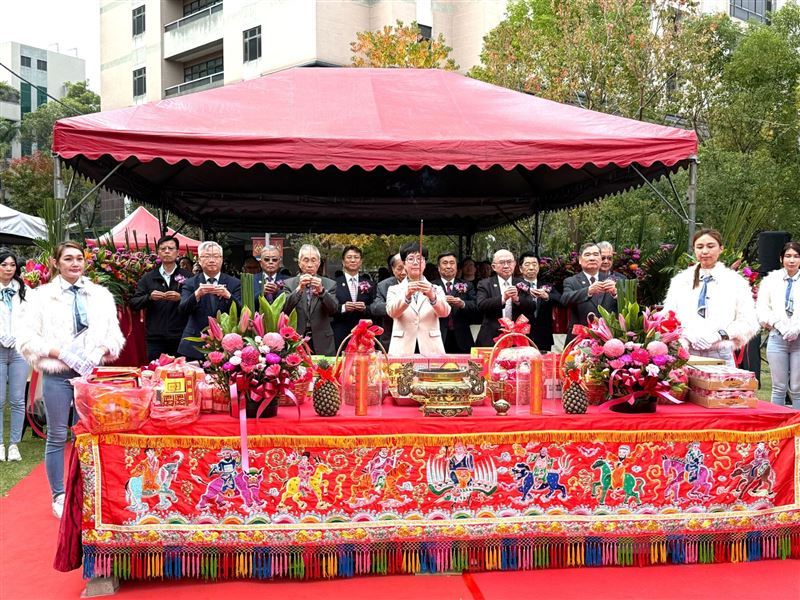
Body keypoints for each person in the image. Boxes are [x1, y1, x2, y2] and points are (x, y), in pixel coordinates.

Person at [16, 242, 125, 518]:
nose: (75, 264)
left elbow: (114, 336)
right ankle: (59, 494)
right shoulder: (40, 297)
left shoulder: (100, 295)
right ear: (56, 263)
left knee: (86, 434)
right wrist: (60, 353)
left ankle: (86, 491)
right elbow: (27, 339)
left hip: (89, 374)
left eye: (79, 258)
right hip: (58, 374)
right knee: (57, 434)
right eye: (68, 259)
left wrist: (98, 352)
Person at [663, 229, 758, 367]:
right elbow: (668, 316)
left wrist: (718, 335)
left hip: (720, 353)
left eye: (710, 246)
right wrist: (687, 335)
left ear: (721, 249)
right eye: (699, 247)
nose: (705, 251)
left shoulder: (736, 282)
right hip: (687, 352)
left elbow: (748, 322)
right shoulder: (681, 281)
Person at [129, 235, 192, 361]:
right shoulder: (148, 278)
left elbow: (197, 302)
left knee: (182, 371)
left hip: (181, 337)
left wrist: (181, 298)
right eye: (163, 249)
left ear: (177, 252)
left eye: (171, 248)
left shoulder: (189, 277)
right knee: (155, 371)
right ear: (158, 252)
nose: (167, 251)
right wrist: (149, 298)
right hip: (155, 339)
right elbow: (134, 303)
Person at [177, 241, 242, 360]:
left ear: (222, 259)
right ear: (199, 260)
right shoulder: (190, 283)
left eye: (216, 256)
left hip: (226, 344)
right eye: (207, 256)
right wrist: (197, 294)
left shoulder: (234, 283)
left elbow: (242, 311)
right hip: (195, 344)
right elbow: (182, 310)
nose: (212, 260)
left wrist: (228, 295)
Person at [386, 243, 450, 355]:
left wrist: (432, 297)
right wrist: (406, 296)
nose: (415, 262)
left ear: (425, 263)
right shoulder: (394, 289)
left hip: (430, 346)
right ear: (404, 263)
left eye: (420, 259)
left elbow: (445, 313)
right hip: (402, 346)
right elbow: (392, 312)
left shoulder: (436, 289)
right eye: (411, 259)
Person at [757, 241, 800, 408]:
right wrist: (779, 325)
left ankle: (797, 422)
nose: (792, 260)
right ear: (781, 259)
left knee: (797, 388)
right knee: (778, 387)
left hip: (798, 340)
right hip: (777, 338)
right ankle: (778, 422)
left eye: (796, 256)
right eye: (788, 256)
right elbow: (762, 309)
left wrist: (796, 328)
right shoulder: (770, 280)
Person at [283, 244, 339, 355]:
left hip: (322, 340)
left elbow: (333, 309)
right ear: (299, 263)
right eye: (306, 260)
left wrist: (322, 291)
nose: (309, 265)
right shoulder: (289, 283)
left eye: (313, 260)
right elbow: (284, 309)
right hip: (296, 339)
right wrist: (299, 289)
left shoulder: (329, 284)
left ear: (318, 263)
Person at [475, 250, 536, 347]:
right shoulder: (485, 284)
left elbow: (532, 306)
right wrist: (503, 298)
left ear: (514, 264)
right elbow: (481, 305)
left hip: (518, 337)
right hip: (492, 337)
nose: (506, 266)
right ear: (493, 267)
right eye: (502, 262)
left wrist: (517, 300)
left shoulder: (522, 283)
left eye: (509, 262)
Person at [0, 249, 27, 462]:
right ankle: (0, 444)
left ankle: (14, 445)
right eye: (4, 265)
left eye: (12, 265)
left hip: (19, 350)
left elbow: (32, 318)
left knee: (18, 399)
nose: (9, 269)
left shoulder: (23, 289)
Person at [561, 243, 618, 344]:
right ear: (580, 260)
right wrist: (588, 291)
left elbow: (628, 306)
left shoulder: (613, 281)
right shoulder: (571, 281)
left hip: (608, 340)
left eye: (596, 254)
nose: (592, 258)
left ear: (600, 259)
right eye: (587, 255)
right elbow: (564, 299)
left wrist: (616, 293)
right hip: (579, 339)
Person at [432, 252, 477, 354]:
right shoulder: (431, 286)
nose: (448, 266)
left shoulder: (467, 285)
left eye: (452, 263)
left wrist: (462, 304)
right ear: (438, 268)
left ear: (456, 268)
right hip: (438, 337)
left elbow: (476, 307)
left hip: (462, 337)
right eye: (445, 263)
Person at [517, 252, 562, 352]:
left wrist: (547, 296)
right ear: (520, 268)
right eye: (527, 264)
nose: (531, 268)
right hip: (520, 336)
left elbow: (561, 300)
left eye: (534, 264)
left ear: (538, 267)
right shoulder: (516, 286)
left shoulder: (547, 286)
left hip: (543, 337)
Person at [332, 246, 376, 349]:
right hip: (341, 332)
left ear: (360, 262)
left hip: (364, 334)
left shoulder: (370, 284)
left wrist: (365, 308)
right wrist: (343, 307)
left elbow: (375, 307)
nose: (353, 260)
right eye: (349, 257)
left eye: (356, 257)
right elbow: (330, 308)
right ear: (343, 261)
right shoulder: (334, 283)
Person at [371, 254, 406, 349]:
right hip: (391, 336)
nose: (403, 272)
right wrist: (398, 306)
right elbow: (375, 307)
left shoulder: (420, 283)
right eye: (399, 269)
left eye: (406, 268)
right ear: (393, 269)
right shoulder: (384, 285)